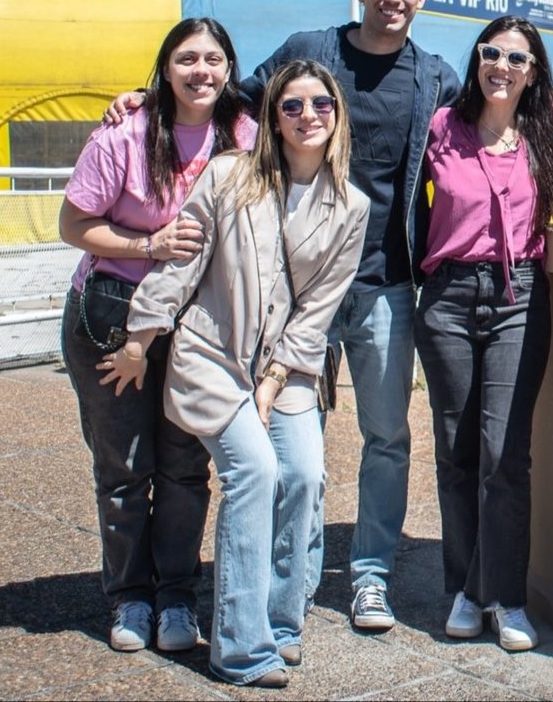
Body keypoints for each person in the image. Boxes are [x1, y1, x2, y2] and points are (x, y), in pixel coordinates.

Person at [109, 0, 461, 631]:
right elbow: (227, 98)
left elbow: (492, 116)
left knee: (387, 434)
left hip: (383, 283)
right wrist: (145, 102)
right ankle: (289, 582)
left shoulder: (436, 76)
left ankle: (369, 576)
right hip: (290, 289)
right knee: (291, 440)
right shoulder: (312, 50)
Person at [101, 61, 370, 688]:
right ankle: (240, 648)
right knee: (255, 472)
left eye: (321, 104)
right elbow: (181, 266)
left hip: (287, 368)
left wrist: (275, 381)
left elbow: (319, 309)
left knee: (303, 475)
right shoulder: (230, 176)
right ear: (272, 118)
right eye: (292, 106)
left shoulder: (350, 206)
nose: (309, 116)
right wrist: (140, 339)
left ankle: (282, 624)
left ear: (338, 114)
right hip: (214, 357)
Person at [418, 15, 553, 651]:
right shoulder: (440, 129)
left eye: (516, 58)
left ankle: (503, 597)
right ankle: (463, 588)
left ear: (533, 72)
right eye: (491, 53)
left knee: (505, 454)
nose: (500, 66)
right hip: (448, 299)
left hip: (521, 298)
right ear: (477, 61)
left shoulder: (549, 135)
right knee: (457, 453)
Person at [60, 17, 256, 655]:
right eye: (187, 59)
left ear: (230, 69)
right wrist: (149, 244)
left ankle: (176, 596)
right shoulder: (127, 133)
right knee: (124, 467)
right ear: (165, 68)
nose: (201, 71)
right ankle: (129, 598)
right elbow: (74, 223)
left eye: (213, 60)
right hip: (115, 313)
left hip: (201, 321)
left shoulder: (244, 134)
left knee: (183, 467)